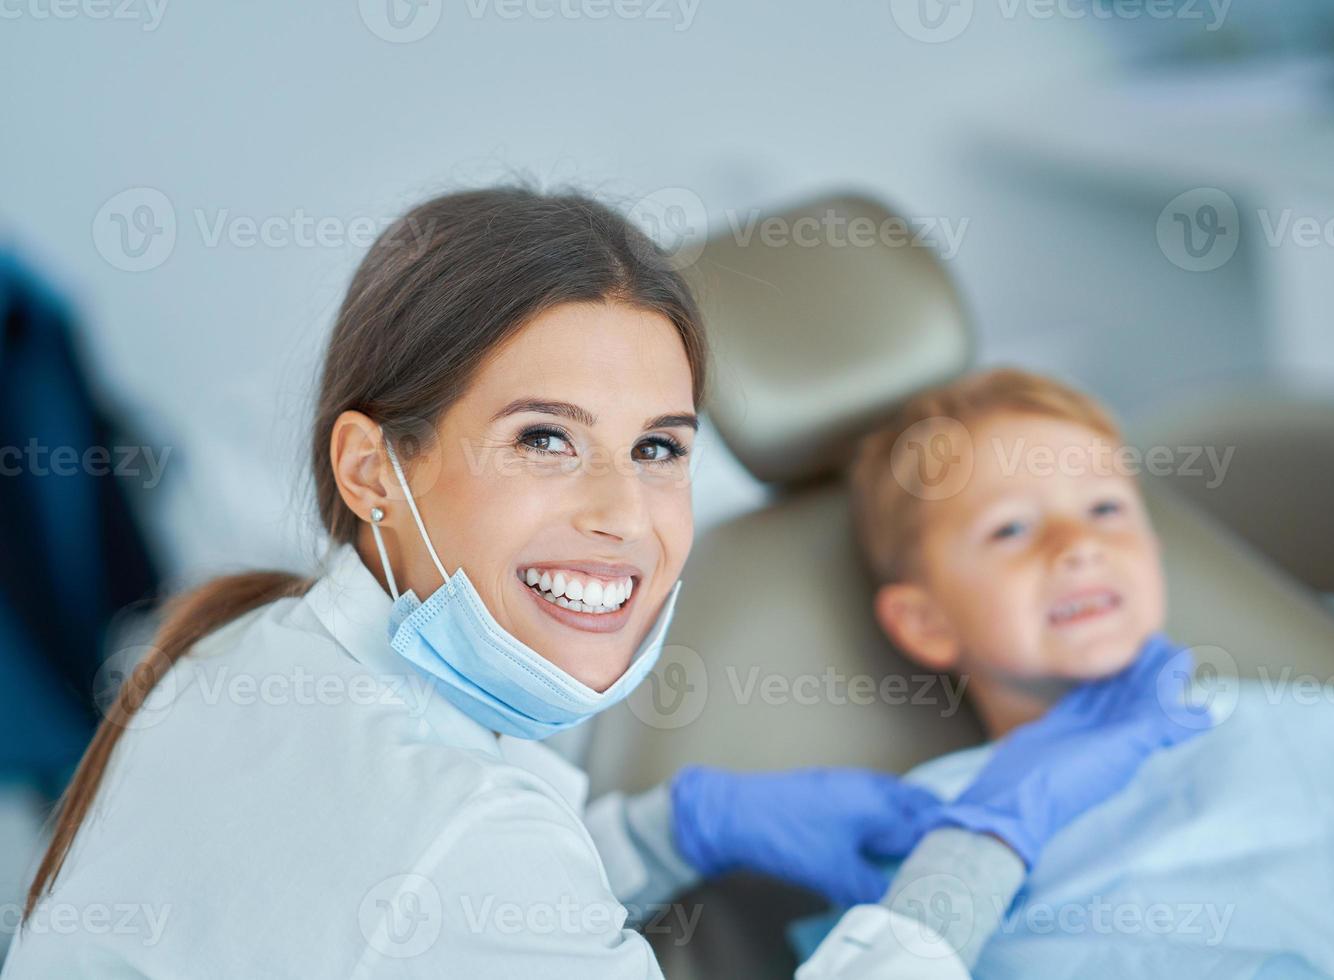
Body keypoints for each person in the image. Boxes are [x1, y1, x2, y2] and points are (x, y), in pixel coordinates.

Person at [4, 190, 1200, 979]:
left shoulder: (249, 650)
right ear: (373, 465)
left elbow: (407, 906)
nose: (622, 516)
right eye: (543, 438)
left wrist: (672, 827)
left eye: (660, 447)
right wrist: (983, 841)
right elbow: (453, 872)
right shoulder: (457, 827)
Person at [827, 366, 1334, 976]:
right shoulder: (937, 839)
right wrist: (988, 831)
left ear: (1155, 553)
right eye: (1011, 528)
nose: (1079, 544)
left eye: (1105, 509)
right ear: (926, 622)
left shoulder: (1282, 723)